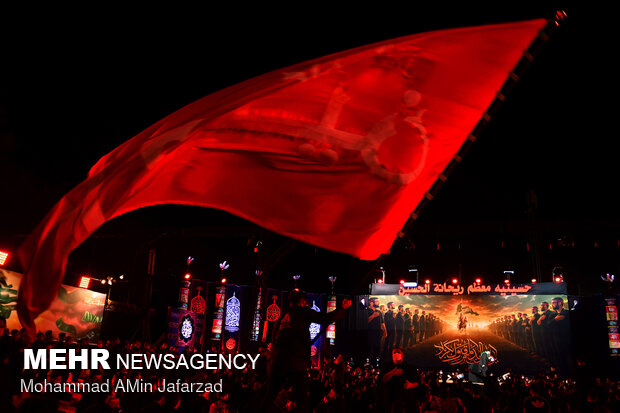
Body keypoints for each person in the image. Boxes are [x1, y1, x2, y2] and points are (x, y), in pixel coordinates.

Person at [263, 289, 352, 412]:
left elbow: (274, 339)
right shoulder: (302, 311)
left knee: (270, 394)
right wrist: (342, 308)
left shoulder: (282, 316)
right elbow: (325, 318)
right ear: (301, 301)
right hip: (295, 359)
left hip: (278, 360)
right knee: (302, 396)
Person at [380, 348, 419, 412]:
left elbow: (417, 383)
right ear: (392, 355)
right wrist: (393, 372)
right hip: (390, 400)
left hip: (405, 401)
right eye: (394, 353)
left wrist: (410, 385)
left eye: (398, 352)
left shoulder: (409, 367)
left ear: (402, 355)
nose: (396, 354)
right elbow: (382, 379)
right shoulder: (386, 366)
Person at [367, 297, 385, 363]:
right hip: (369, 335)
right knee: (369, 350)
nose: (379, 303)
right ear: (371, 302)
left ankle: (376, 364)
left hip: (378, 335)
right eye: (377, 301)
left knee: (377, 351)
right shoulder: (366, 311)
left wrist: (385, 331)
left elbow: (382, 323)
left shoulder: (379, 312)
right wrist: (373, 316)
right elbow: (364, 322)